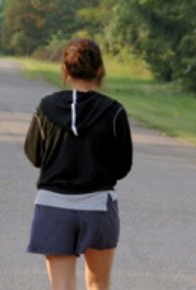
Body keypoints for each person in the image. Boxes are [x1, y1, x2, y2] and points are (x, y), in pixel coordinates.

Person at [24, 39, 133, 290]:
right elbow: (123, 166)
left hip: (53, 206)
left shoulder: (46, 107)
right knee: (98, 283)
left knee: (61, 286)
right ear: (99, 70)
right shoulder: (114, 111)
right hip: (98, 206)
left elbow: (34, 156)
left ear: (65, 70)